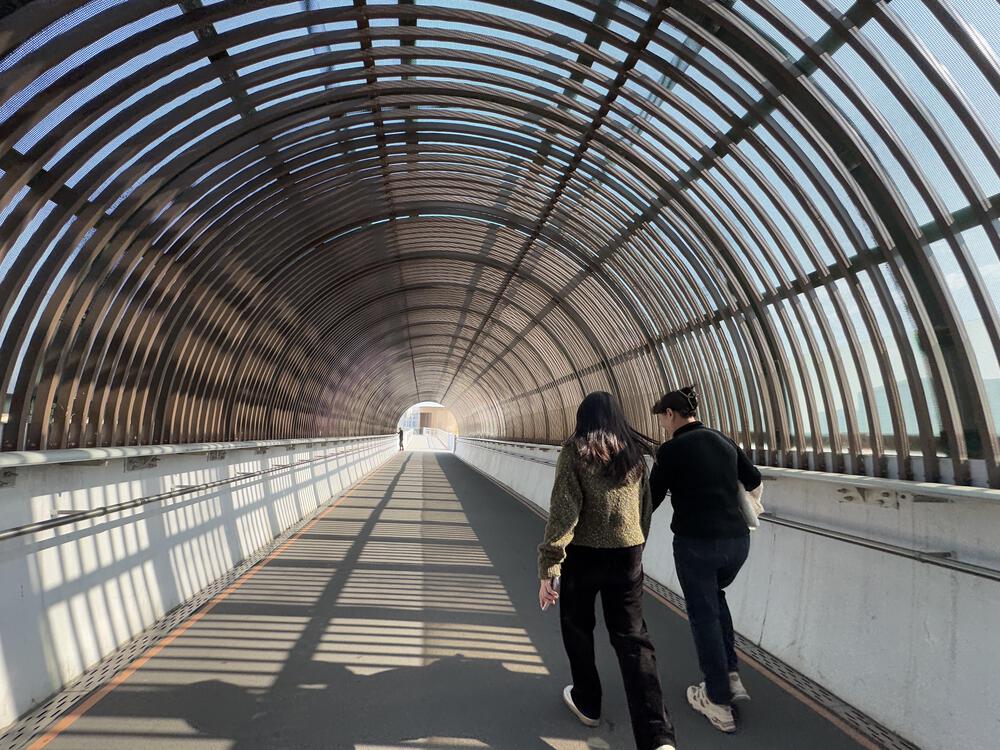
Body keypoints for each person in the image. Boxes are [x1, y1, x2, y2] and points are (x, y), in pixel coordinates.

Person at [538, 392, 676, 750]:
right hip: (627, 554)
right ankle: (658, 737)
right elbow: (645, 508)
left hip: (583, 555)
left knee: (578, 627)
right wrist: (636, 546)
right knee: (633, 639)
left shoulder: (575, 453)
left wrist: (550, 566)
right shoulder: (635, 455)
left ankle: (587, 701)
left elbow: (564, 513)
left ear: (582, 419)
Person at [649, 386, 761, 734]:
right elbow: (754, 479)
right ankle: (729, 674)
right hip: (737, 543)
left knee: (703, 616)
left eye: (662, 418)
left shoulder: (670, 450)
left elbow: (651, 499)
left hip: (696, 544)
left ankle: (717, 699)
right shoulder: (723, 440)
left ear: (670, 414)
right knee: (715, 599)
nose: (662, 424)